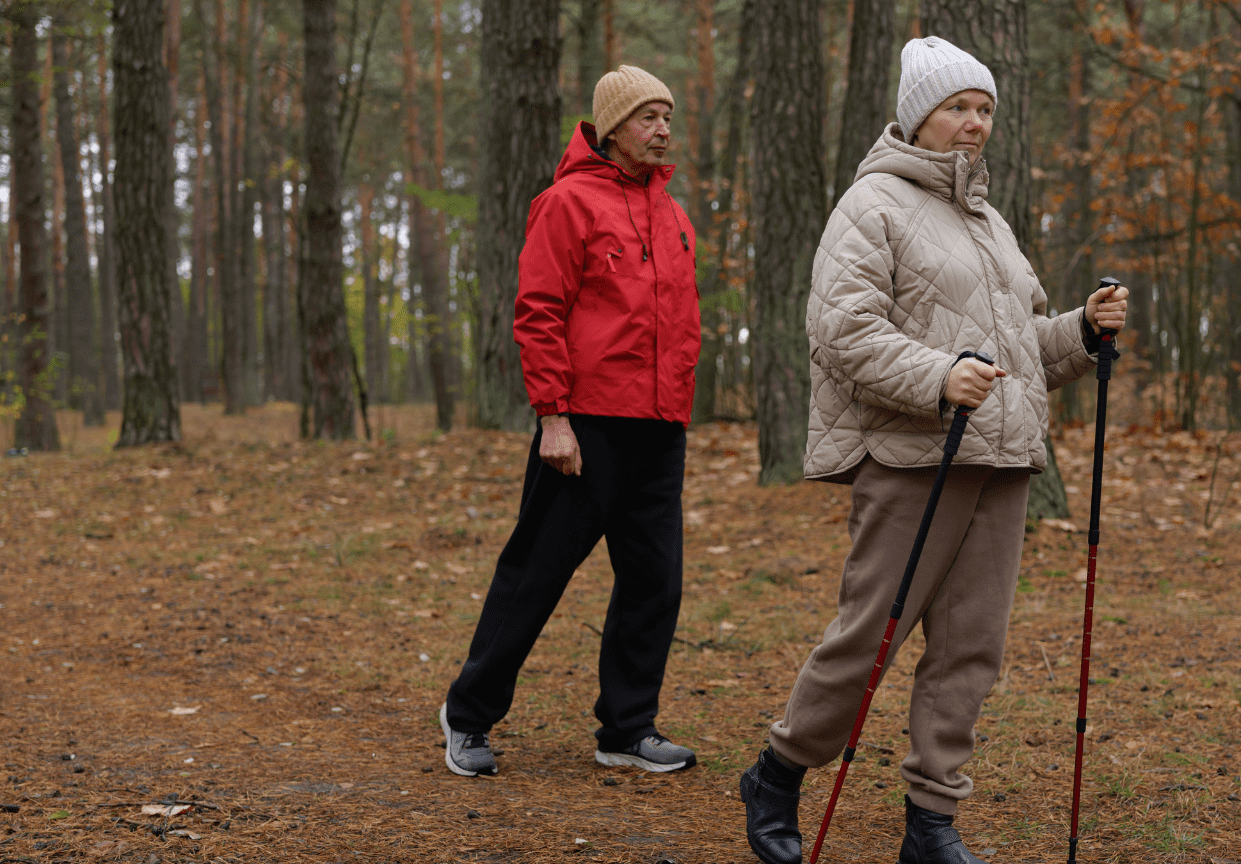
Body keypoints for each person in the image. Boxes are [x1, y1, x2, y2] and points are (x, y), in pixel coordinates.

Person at [739, 36, 1130, 864]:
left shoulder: (988, 220)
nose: (974, 123)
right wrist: (937, 376)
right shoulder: (872, 205)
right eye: (958, 107)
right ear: (919, 115)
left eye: (985, 109)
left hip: (1002, 462)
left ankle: (932, 821)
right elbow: (841, 331)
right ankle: (778, 771)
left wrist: (1079, 333)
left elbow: (1017, 347)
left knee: (970, 651)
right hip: (914, 458)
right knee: (867, 640)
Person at [439, 65, 701, 777]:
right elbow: (539, 312)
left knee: (656, 582)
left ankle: (627, 728)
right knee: (536, 576)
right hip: (585, 426)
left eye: (666, 116)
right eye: (647, 117)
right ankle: (468, 715)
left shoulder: (673, 214)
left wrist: (676, 410)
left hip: (658, 427)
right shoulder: (566, 203)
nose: (662, 129)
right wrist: (553, 416)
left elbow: (679, 325)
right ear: (612, 127)